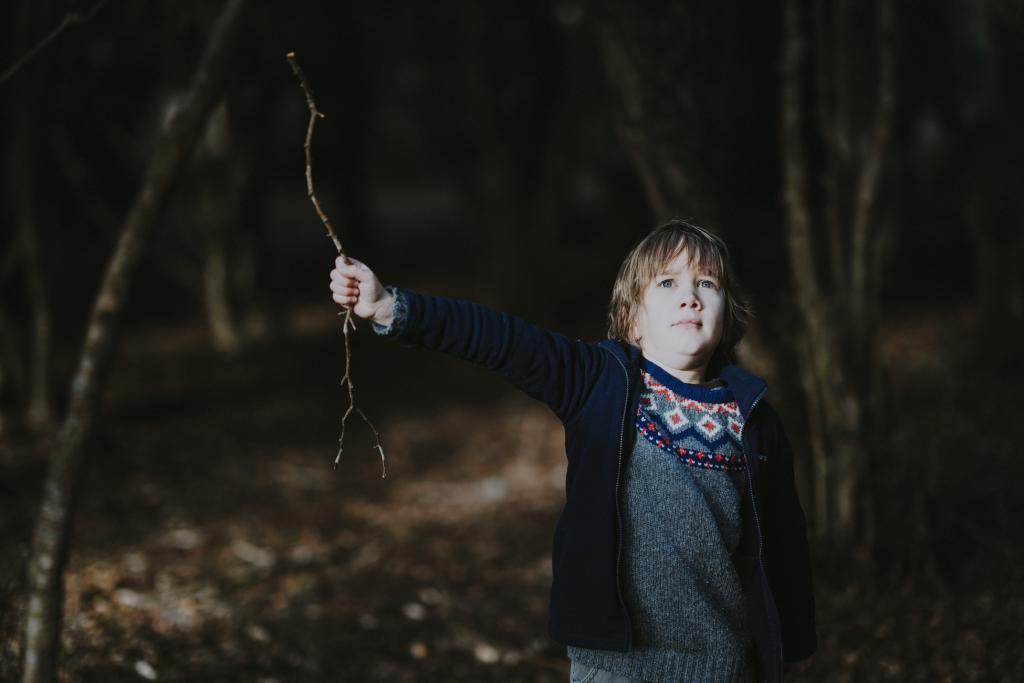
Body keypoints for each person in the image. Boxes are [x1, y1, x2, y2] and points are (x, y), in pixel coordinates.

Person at [328, 220, 816, 683]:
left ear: (727, 312)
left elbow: (783, 540)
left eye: (707, 284)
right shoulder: (599, 382)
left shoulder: (752, 419)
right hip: (615, 662)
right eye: (667, 283)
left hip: (721, 662)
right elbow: (500, 340)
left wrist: (785, 651)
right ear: (632, 320)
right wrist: (392, 306)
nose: (689, 297)